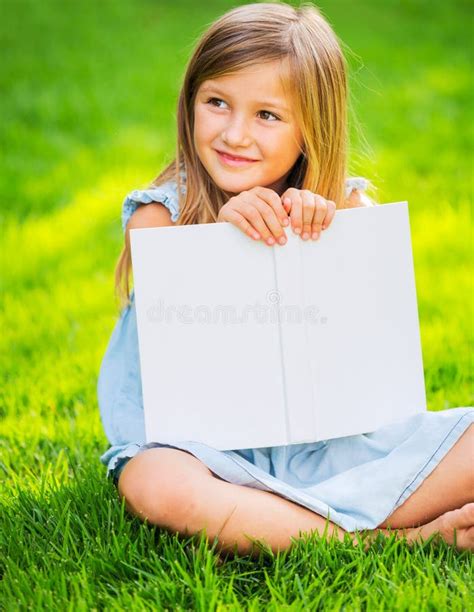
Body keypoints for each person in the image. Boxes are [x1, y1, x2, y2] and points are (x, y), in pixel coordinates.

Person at [97, 2, 474, 557]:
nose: (234, 134)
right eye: (216, 102)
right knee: (152, 484)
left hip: (329, 443)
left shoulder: (345, 204)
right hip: (202, 454)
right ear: (190, 104)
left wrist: (327, 231)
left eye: (267, 116)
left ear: (311, 128)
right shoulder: (159, 216)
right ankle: (380, 540)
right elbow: (180, 319)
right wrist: (220, 238)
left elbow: (372, 336)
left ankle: (300, 523)